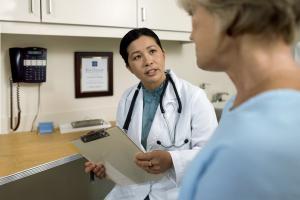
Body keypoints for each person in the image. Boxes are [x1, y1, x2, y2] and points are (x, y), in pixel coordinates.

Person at [178, 0, 300, 199]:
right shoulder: (240, 105)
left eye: (193, 14)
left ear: (231, 17)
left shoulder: (261, 143)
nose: (191, 35)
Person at [84, 27, 218, 199]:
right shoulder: (127, 99)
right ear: (129, 67)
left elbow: (212, 155)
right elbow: (124, 154)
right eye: (137, 57)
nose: (148, 61)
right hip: (132, 192)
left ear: (163, 54)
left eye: (152, 51)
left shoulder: (194, 97)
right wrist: (106, 167)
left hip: (174, 192)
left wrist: (172, 160)